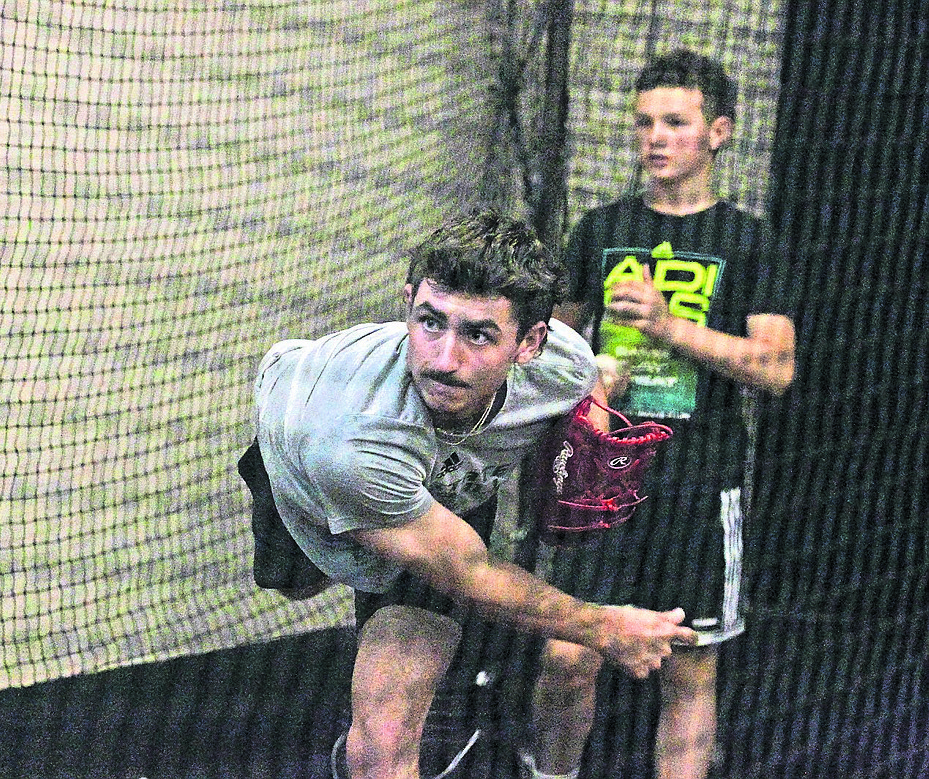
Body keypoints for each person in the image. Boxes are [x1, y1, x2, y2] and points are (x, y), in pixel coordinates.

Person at [248, 209, 698, 779]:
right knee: (298, 583)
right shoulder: (344, 441)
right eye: (429, 322)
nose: (443, 359)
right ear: (407, 301)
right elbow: (473, 574)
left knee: (385, 739)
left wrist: (596, 425)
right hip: (303, 461)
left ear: (531, 341)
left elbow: (592, 383)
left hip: (448, 488)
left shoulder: (562, 367)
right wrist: (606, 626)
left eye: (479, 334)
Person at [522, 50, 796, 779]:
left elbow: (776, 367)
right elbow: (549, 347)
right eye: (644, 122)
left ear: (719, 132)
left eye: (675, 122)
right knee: (568, 652)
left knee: (689, 664)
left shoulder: (749, 241)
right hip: (597, 476)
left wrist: (671, 328)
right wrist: (587, 383)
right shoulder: (600, 228)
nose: (655, 137)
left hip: (698, 482)